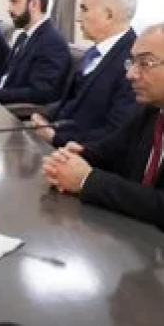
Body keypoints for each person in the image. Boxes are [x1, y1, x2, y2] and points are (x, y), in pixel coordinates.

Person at [42, 23, 164, 230]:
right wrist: (75, 157)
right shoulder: (150, 111)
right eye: (132, 62)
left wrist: (87, 181)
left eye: (145, 63)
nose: (130, 74)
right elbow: (110, 151)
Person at [33, 0, 137, 147]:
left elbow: (117, 131)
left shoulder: (134, 62)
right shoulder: (94, 52)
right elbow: (72, 102)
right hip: (57, 140)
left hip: (83, 154)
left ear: (108, 15)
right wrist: (44, 117)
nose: (77, 18)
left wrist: (55, 138)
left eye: (84, 9)